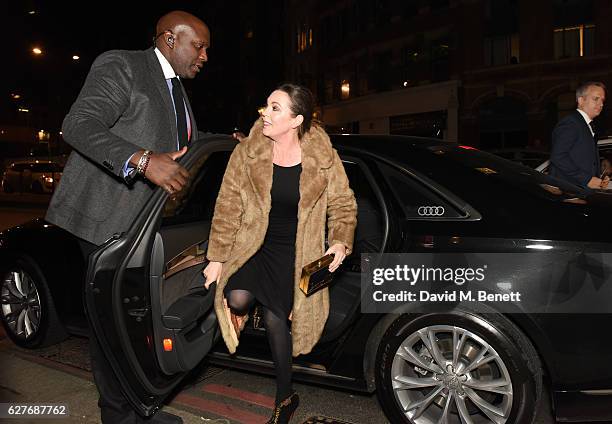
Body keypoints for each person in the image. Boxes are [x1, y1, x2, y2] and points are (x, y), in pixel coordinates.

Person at [45, 10, 210, 424]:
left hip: (143, 224)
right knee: (113, 328)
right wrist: (141, 160)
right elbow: (78, 124)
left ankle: (140, 409)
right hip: (106, 222)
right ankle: (119, 417)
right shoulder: (124, 65)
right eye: (200, 46)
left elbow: (178, 147)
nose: (205, 56)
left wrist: (229, 142)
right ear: (171, 39)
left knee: (136, 327)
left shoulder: (177, 91)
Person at [202, 83, 357, 423]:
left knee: (275, 319)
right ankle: (252, 309)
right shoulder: (248, 152)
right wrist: (216, 258)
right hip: (254, 246)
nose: (264, 113)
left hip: (298, 254)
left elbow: (343, 204)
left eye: (275, 108)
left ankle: (285, 397)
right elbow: (227, 206)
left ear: (295, 119)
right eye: (266, 105)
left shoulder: (321, 155)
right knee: (238, 299)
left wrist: (339, 241)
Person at [550, 81, 607, 189]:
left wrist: (599, 176)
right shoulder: (571, 123)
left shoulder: (585, 124)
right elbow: (558, 157)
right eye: (596, 99)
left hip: (580, 191)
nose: (601, 104)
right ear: (581, 100)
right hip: (569, 193)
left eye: (602, 100)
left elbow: (582, 158)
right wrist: (587, 179)